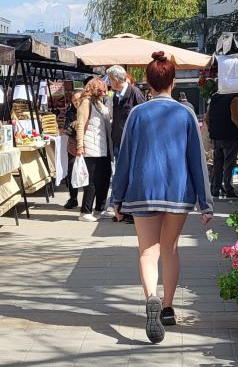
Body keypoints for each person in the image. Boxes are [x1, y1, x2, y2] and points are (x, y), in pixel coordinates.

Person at [111, 51, 213, 344]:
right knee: (170, 249)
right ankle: (167, 307)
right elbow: (197, 159)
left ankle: (151, 298)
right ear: (173, 80)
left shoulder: (137, 114)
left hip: (143, 190)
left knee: (147, 252)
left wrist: (116, 199)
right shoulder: (185, 114)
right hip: (178, 192)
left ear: (147, 81)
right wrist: (205, 204)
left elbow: (125, 159)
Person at [107, 65, 146, 220]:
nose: (109, 82)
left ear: (116, 79)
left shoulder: (135, 93)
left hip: (132, 143)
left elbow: (144, 117)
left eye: (110, 79)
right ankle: (120, 209)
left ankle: (128, 210)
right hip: (119, 141)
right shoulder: (116, 95)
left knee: (130, 176)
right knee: (121, 175)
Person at [74, 77, 113, 222]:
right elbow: (80, 124)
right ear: (95, 89)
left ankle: (99, 208)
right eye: (102, 90)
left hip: (103, 148)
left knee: (103, 178)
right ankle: (85, 211)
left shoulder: (99, 103)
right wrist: (80, 145)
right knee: (91, 181)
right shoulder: (86, 103)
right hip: (90, 147)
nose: (105, 92)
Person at [207, 68, 238, 199]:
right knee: (229, 163)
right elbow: (236, 117)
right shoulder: (233, 98)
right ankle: (229, 189)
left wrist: (212, 130)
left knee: (217, 163)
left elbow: (207, 118)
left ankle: (215, 188)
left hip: (216, 136)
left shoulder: (214, 98)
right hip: (230, 135)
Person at [62, 90, 82, 209]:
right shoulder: (70, 113)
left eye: (78, 99)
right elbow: (66, 130)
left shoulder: (89, 110)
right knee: (71, 172)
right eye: (74, 100)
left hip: (87, 146)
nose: (76, 102)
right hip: (73, 146)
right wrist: (71, 125)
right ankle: (73, 198)